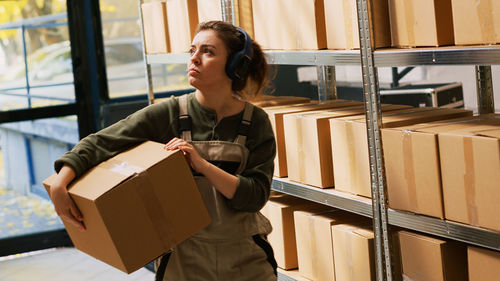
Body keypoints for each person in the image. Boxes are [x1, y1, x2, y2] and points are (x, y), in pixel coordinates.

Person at [48, 20, 278, 281]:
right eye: (192, 50)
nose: (194, 59)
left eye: (208, 51)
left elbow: (255, 196)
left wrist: (202, 166)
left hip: (246, 260)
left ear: (236, 65)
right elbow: (99, 143)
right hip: (184, 261)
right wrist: (60, 182)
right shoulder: (170, 113)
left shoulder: (256, 122)